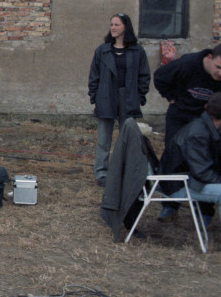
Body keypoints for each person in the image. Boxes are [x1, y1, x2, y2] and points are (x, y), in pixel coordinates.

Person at [152, 43, 221, 221]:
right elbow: (160, 76)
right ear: (209, 58)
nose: (220, 73)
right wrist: (171, 97)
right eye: (218, 67)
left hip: (208, 120)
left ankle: (205, 211)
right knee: (174, 158)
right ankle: (170, 205)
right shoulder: (187, 64)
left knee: (207, 159)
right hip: (180, 117)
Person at [87, 13, 151, 186]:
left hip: (128, 97)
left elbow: (144, 75)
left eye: (117, 24)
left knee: (128, 139)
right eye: (111, 25)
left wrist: (140, 95)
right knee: (103, 139)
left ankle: (124, 173)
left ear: (125, 27)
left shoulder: (137, 51)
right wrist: (95, 96)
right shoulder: (102, 50)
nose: (113, 28)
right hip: (106, 96)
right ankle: (102, 174)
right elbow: (94, 75)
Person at [158, 91, 221, 228]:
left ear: (206, 107)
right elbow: (202, 172)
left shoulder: (204, 126)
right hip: (178, 184)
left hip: (186, 178)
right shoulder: (198, 134)